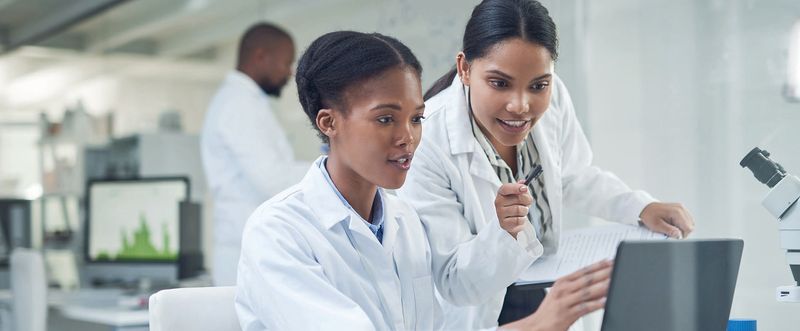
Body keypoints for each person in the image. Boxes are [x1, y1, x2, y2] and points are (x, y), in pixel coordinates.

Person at [235, 30, 612, 331]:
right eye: (386, 119)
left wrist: (505, 231)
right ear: (328, 122)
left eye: (416, 119)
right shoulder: (279, 232)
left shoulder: (404, 223)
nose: (408, 138)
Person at [396, 0, 696, 329]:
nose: (521, 105)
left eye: (538, 85)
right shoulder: (426, 140)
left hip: (544, 291)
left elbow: (573, 175)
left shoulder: (554, 97)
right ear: (465, 68)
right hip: (480, 310)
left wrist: (640, 207)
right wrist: (504, 232)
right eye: (500, 83)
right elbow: (454, 280)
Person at [201, 22, 309, 286]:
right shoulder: (239, 105)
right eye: (286, 62)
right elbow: (272, 180)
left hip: (250, 247)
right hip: (244, 252)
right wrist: (337, 166)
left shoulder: (244, 103)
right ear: (261, 56)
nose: (289, 72)